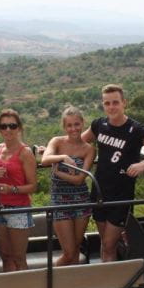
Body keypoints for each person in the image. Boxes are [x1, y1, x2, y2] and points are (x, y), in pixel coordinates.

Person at [82, 84, 144, 262]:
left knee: (108, 244)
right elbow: (76, 143)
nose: (111, 107)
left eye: (115, 102)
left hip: (121, 195)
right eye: (107, 103)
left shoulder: (136, 130)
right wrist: (52, 150)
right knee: (105, 243)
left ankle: (112, 284)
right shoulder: (99, 125)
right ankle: (109, 278)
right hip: (99, 191)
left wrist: (143, 164)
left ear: (124, 103)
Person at [41, 106, 95, 266]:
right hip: (60, 202)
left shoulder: (89, 149)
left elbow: (79, 179)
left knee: (76, 249)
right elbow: (44, 159)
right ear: (64, 127)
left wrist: (58, 173)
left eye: (77, 124)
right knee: (69, 252)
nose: (73, 129)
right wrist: (64, 157)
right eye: (69, 125)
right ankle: (52, 284)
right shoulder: (57, 142)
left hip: (81, 201)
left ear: (83, 124)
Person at [0, 109, 38, 271]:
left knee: (18, 257)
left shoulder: (25, 153)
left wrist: (12, 189)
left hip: (18, 209)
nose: (8, 130)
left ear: (19, 128)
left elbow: (33, 186)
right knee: (5, 256)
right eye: (4, 126)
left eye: (12, 125)